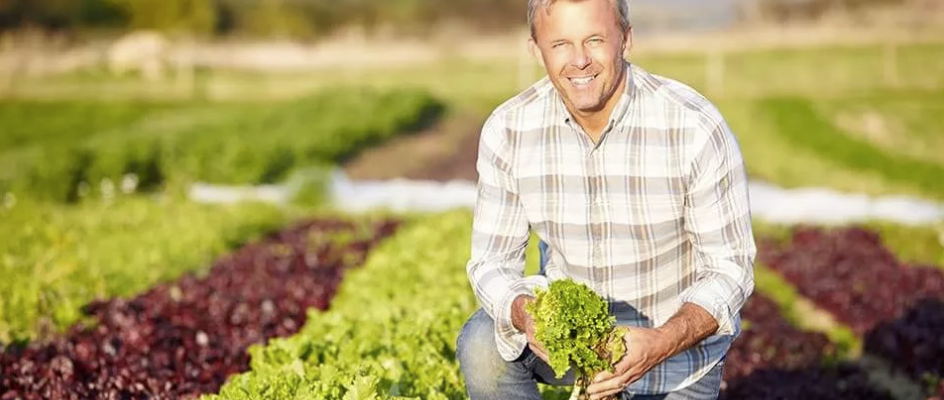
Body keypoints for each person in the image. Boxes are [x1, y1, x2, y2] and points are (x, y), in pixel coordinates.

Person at [455, 0, 757, 399]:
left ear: (625, 40)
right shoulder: (509, 131)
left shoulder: (693, 126)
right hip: (573, 347)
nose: (579, 60)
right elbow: (490, 263)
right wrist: (525, 313)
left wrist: (662, 340)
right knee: (482, 345)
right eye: (560, 43)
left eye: (595, 40)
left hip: (674, 357)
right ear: (535, 49)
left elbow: (731, 268)